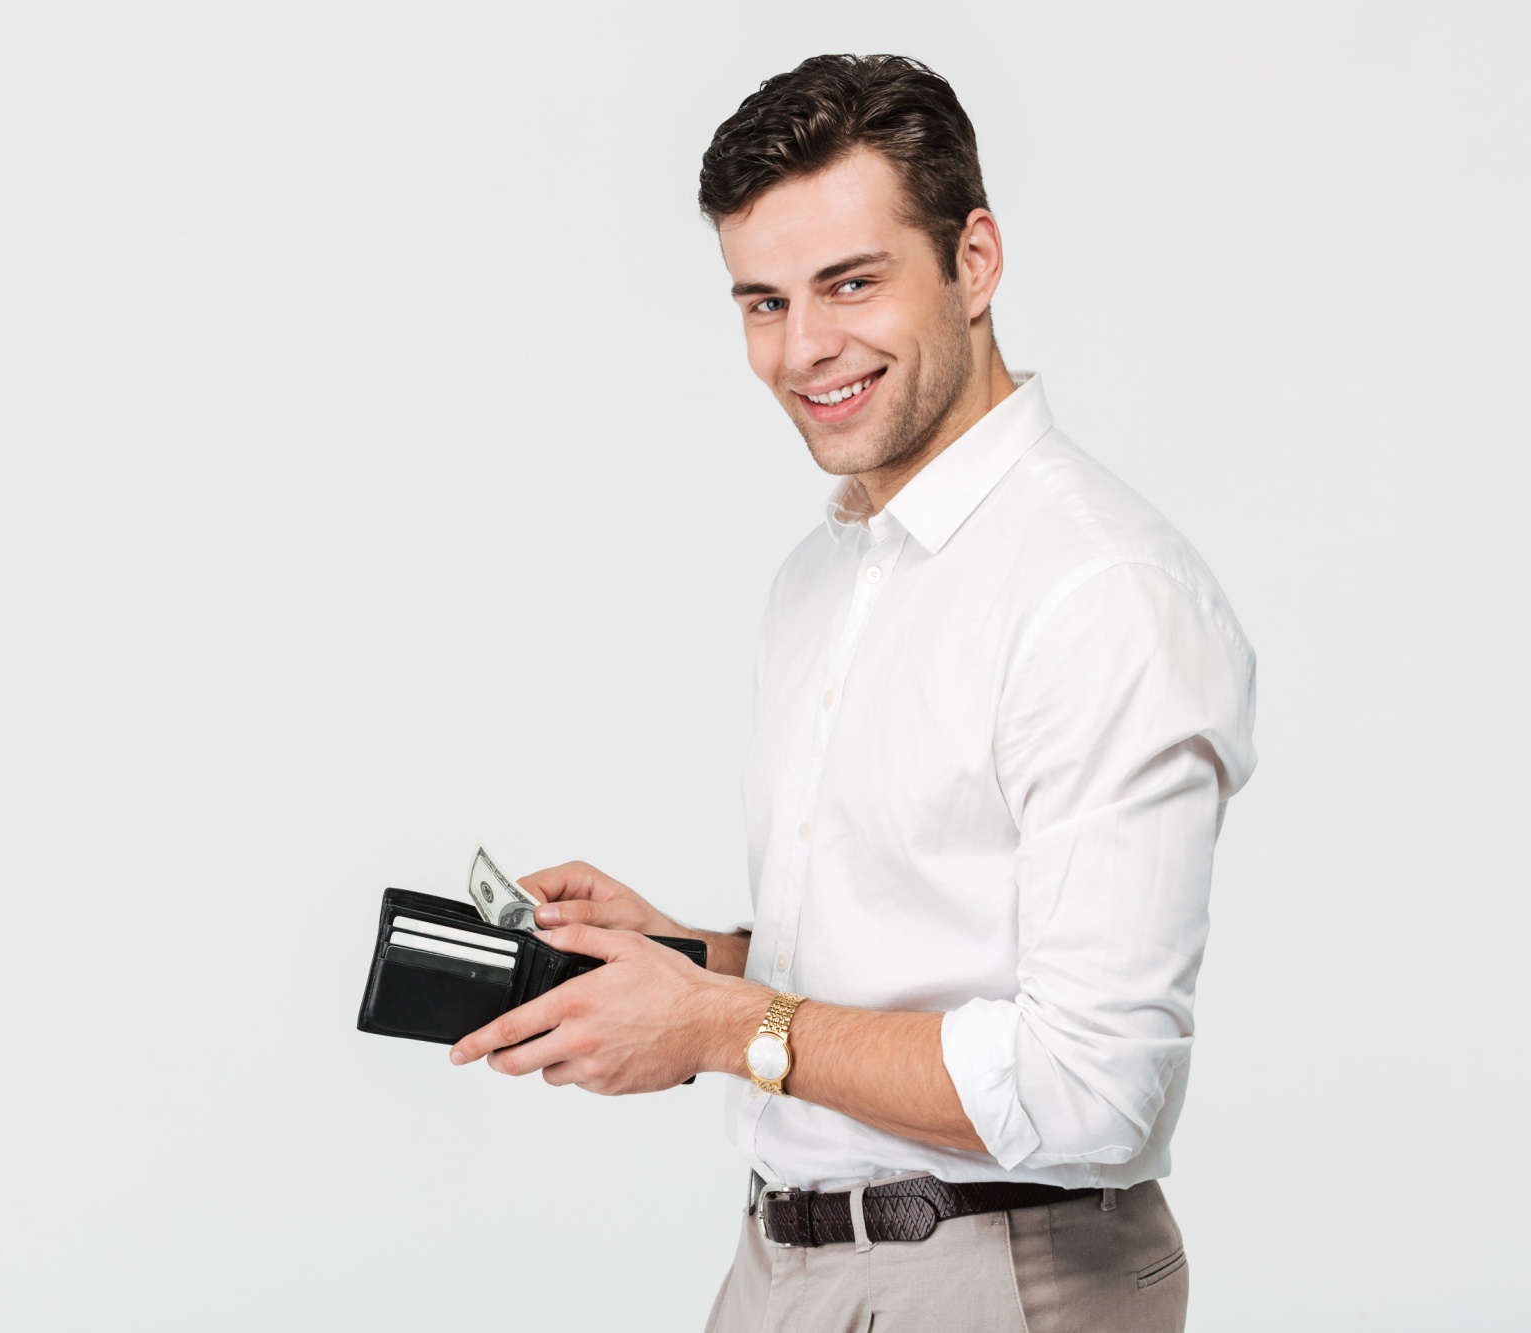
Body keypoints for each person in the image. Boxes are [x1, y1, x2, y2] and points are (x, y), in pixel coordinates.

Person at [448, 53, 1255, 1332]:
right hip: (780, 1265)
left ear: (974, 262)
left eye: (851, 283)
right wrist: (687, 964)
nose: (803, 348)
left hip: (999, 1274)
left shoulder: (1100, 594)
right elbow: (909, 948)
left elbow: (1095, 1090)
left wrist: (721, 1023)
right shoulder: (821, 578)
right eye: (761, 301)